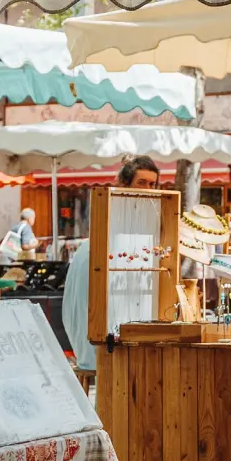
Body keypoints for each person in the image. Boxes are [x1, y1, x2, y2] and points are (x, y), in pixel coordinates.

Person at [63, 156, 160, 373]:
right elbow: (83, 304)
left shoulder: (148, 227)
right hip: (101, 338)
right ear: (124, 185)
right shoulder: (103, 235)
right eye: (141, 183)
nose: (148, 190)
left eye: (152, 184)